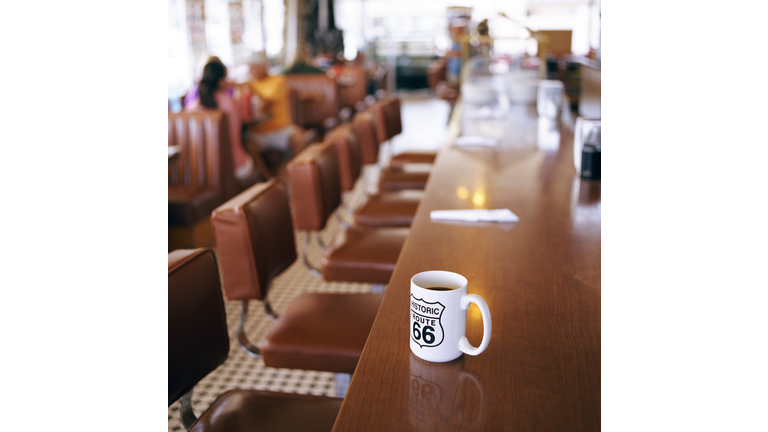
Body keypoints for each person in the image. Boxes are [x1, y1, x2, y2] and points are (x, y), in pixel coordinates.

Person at [185, 60, 256, 181]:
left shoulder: (192, 107)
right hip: (236, 165)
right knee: (253, 153)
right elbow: (247, 118)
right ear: (221, 80)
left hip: (201, 171)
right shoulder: (230, 103)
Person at [245, 53, 305, 167]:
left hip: (280, 129)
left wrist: (251, 89)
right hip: (257, 133)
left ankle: (296, 173)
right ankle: (268, 179)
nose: (251, 70)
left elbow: (265, 105)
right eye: (250, 67)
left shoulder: (278, 80)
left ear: (265, 66)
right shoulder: (248, 84)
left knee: (300, 138)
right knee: (247, 146)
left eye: (254, 67)